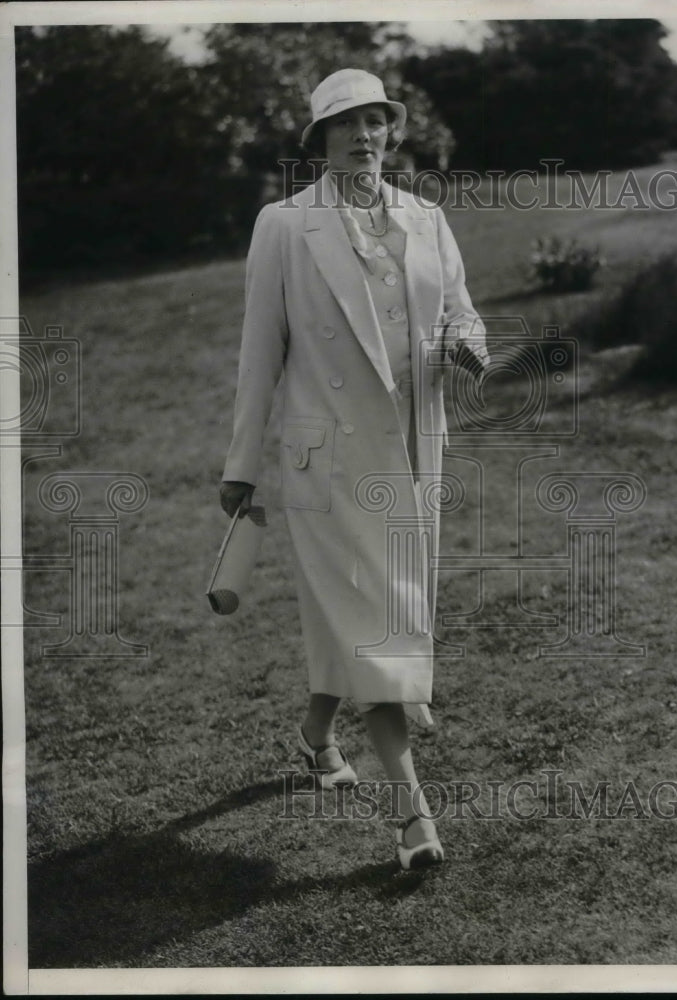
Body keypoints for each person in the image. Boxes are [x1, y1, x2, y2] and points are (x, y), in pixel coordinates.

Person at [220, 69, 488, 870]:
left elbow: (458, 312)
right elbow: (257, 352)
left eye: (374, 122)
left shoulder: (425, 217)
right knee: (376, 625)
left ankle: (313, 732)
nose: (362, 136)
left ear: (390, 134)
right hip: (328, 460)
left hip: (411, 446)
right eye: (345, 125)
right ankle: (413, 818)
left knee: (381, 610)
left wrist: (467, 347)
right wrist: (241, 464)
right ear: (319, 141)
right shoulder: (283, 225)